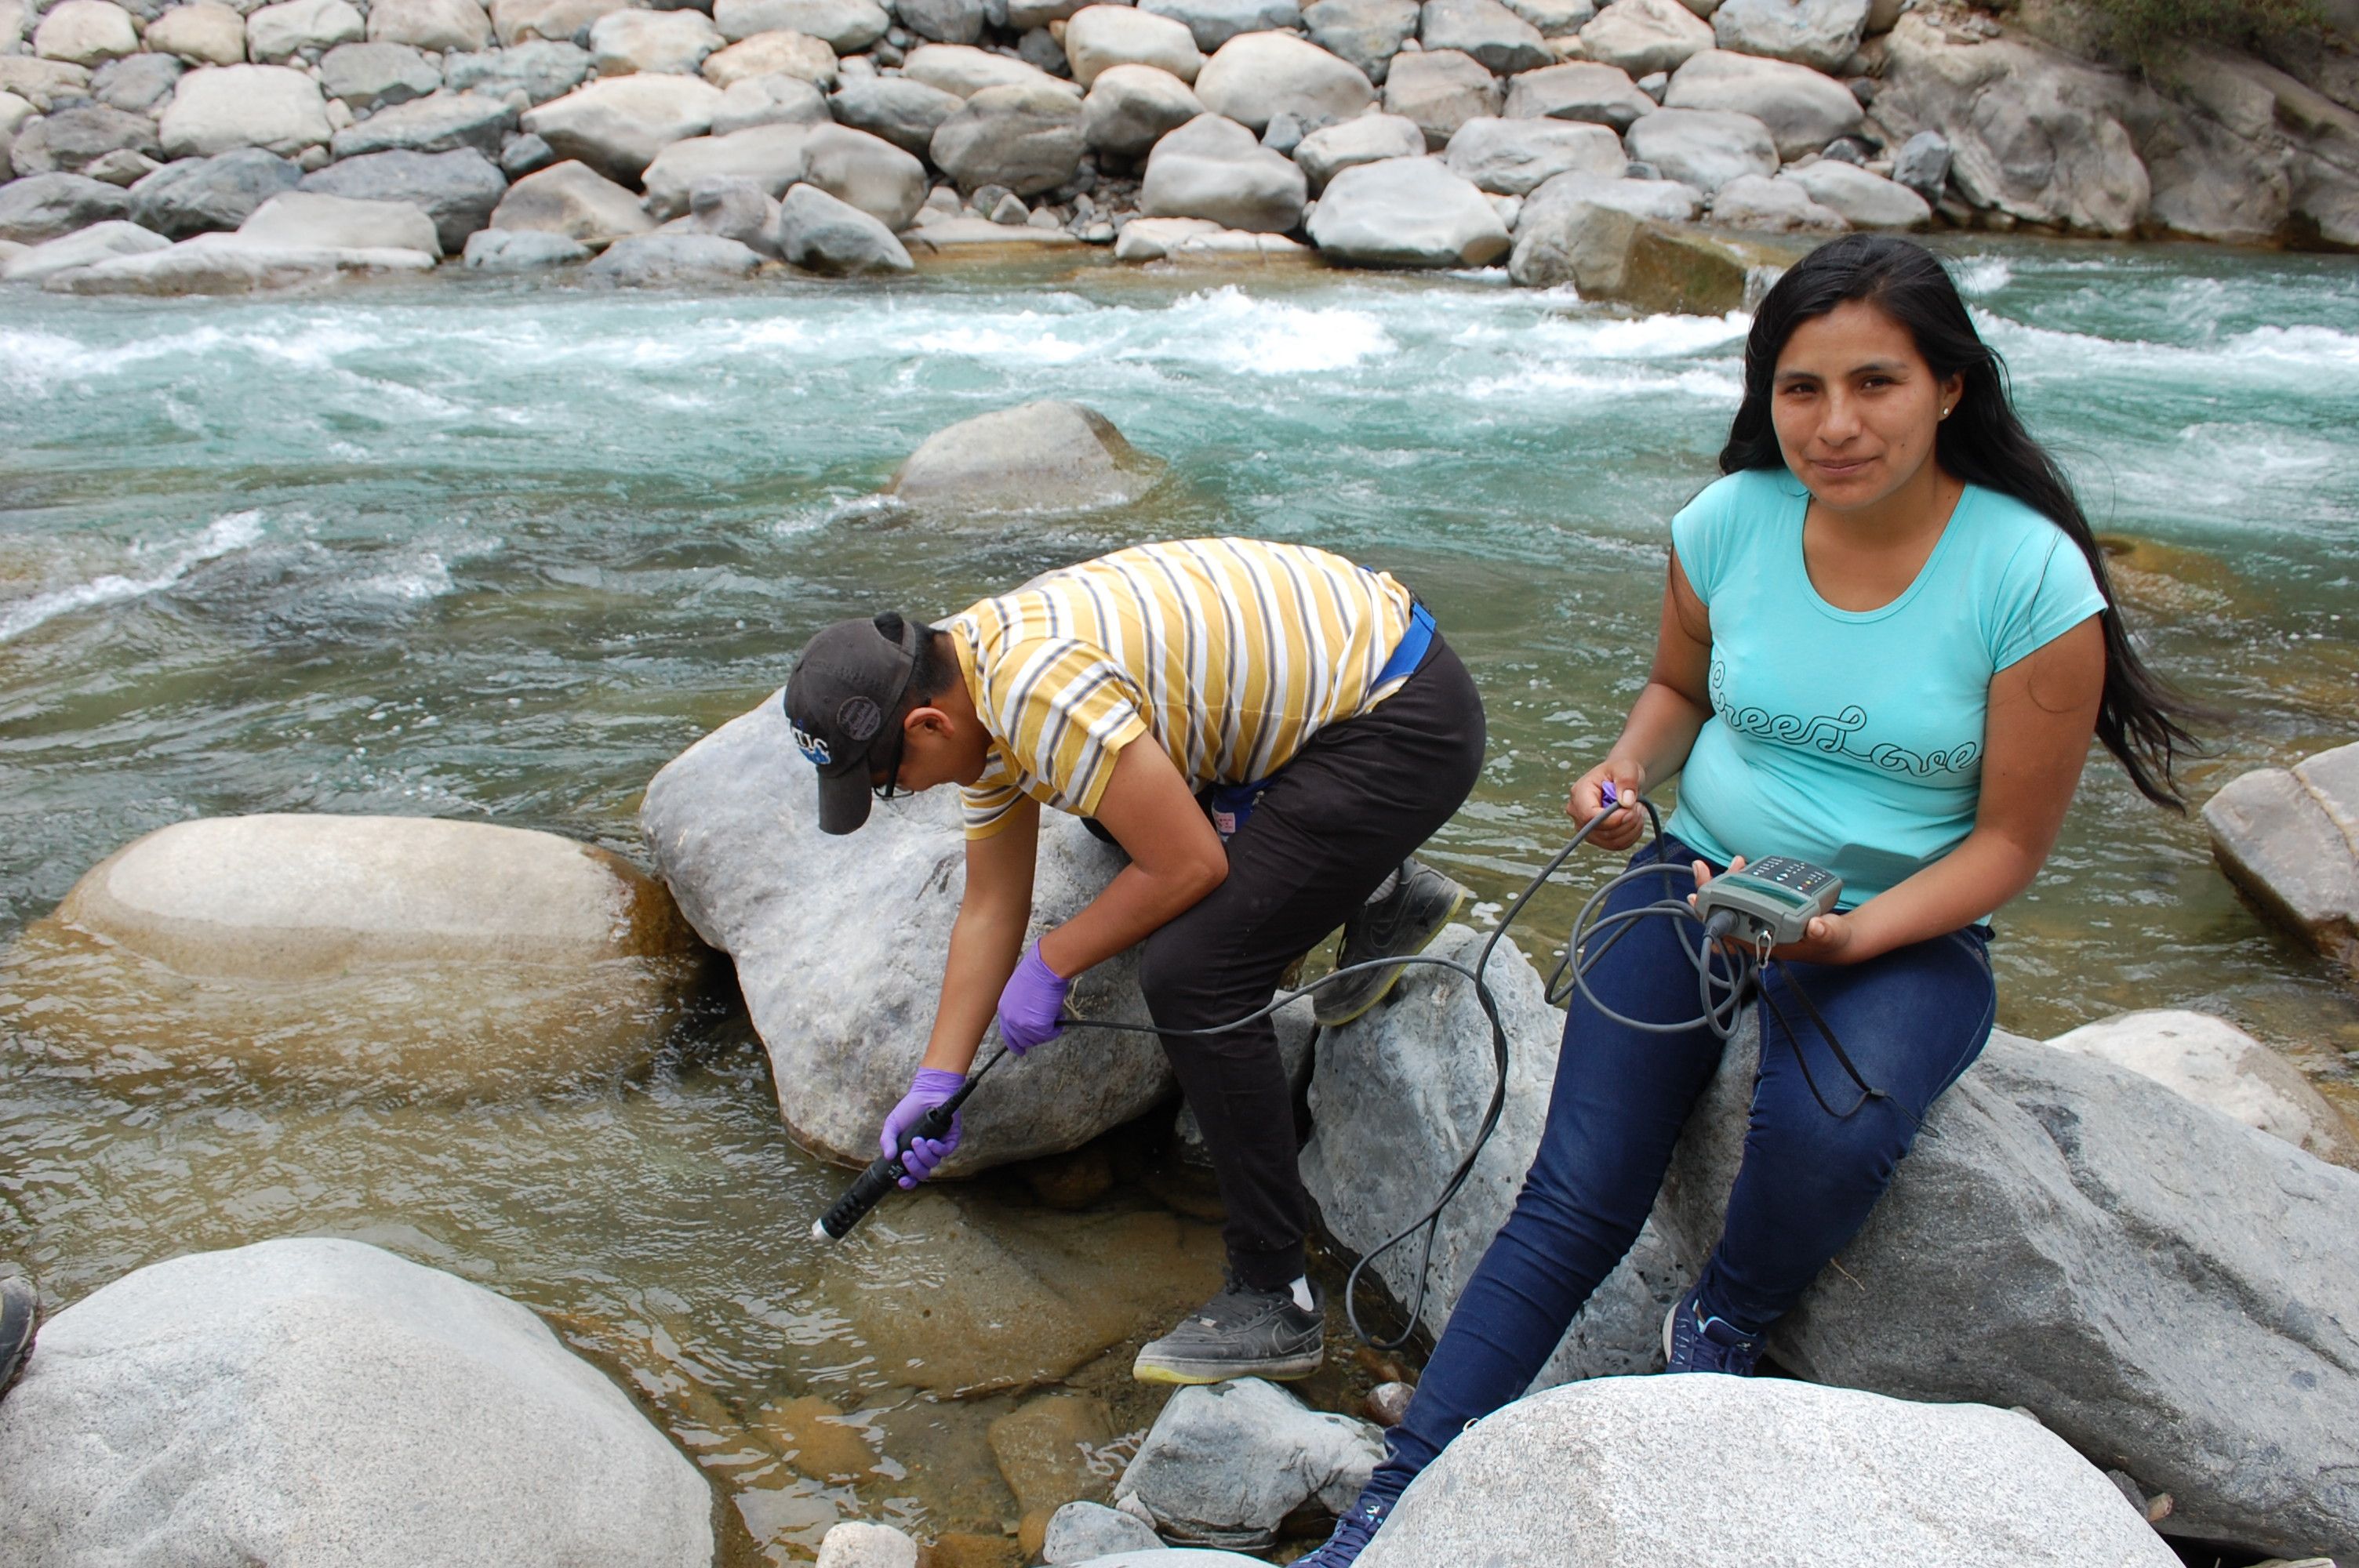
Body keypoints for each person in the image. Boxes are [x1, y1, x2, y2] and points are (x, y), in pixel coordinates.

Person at [1299, 234, 2201, 1563]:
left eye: (1874, 384)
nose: (1834, 426)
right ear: (1763, 396)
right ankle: (1399, 1493)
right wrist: (1620, 772)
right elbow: (1677, 690)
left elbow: (2007, 846)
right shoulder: (1726, 523)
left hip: (1909, 924)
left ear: (1949, 387)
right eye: (1799, 389)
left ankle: (1717, 1323)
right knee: (1578, 1189)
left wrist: (1850, 937)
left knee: (1824, 1136)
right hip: (1693, 874)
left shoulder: (2028, 577)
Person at [784, 537, 1486, 1384]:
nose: (909, 793)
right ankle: (1366, 878)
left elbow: (1189, 864)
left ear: (927, 723)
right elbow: (989, 903)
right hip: (1340, 707)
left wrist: (1054, 959)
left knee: (1193, 971)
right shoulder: (968, 672)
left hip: (1401, 720)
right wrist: (936, 1078)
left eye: (892, 779)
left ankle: (1277, 1296)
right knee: (1107, 813)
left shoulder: (1034, 696)